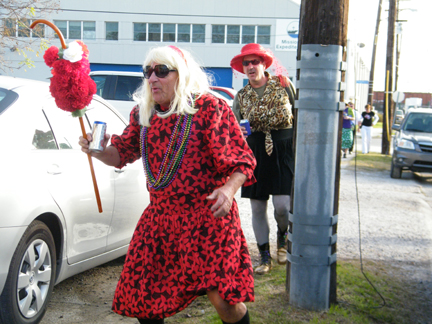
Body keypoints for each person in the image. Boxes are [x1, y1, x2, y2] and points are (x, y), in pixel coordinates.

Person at [79, 45, 256, 324]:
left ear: (181, 74)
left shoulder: (210, 108)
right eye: (147, 72)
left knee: (224, 302)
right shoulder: (143, 114)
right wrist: (97, 150)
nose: (152, 78)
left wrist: (228, 189)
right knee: (143, 300)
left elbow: (242, 161)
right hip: (160, 219)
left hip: (206, 218)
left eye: (161, 71)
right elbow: (120, 154)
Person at [230, 43, 295, 275]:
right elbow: (233, 129)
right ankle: (264, 256)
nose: (250, 66)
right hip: (255, 151)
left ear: (264, 64)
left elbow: (299, 116)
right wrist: (240, 132)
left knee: (282, 206)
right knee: (257, 208)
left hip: (283, 149)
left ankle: (283, 236)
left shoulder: (284, 85)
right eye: (245, 63)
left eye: (254, 62)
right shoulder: (241, 96)